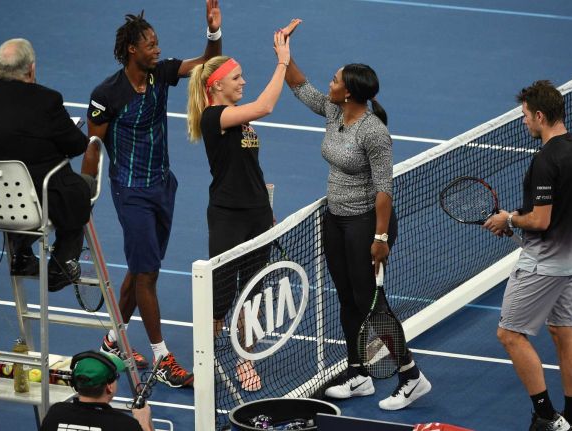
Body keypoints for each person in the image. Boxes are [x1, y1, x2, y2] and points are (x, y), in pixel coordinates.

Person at [281, 27, 430, 410]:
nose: (328, 82)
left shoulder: (374, 133)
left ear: (348, 91)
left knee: (371, 305)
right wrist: (284, 53)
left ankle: (411, 376)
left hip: (368, 223)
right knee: (348, 300)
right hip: (336, 220)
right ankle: (359, 372)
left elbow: (385, 188)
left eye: (334, 78)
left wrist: (380, 237)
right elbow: (300, 86)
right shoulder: (334, 111)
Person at [81, 1, 223, 387]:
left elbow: (207, 63)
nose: (157, 50)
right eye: (151, 45)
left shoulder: (160, 74)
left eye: (158, 44)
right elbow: (93, 148)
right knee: (146, 274)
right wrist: (83, 196)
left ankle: (112, 341)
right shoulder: (106, 93)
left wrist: (213, 32)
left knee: (144, 268)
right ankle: (162, 357)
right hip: (131, 193)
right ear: (132, 49)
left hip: (163, 186)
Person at [184, 19, 300, 392]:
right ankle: (205, 355)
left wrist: (266, 206)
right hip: (228, 217)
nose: (243, 82)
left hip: (256, 215)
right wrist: (282, 61)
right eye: (237, 78)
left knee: (253, 292)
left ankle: (244, 358)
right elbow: (265, 106)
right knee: (218, 296)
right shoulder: (214, 117)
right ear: (217, 85)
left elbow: (248, 166)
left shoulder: (240, 124)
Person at [483, 80, 572, 431]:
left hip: (543, 264)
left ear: (540, 115)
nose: (524, 122)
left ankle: (546, 417)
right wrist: (517, 219)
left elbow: (541, 220)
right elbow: (555, 209)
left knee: (509, 334)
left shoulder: (546, 159)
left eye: (526, 116)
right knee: (563, 331)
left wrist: (509, 219)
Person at [0, 38, 91, 292]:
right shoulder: (47, 101)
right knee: (82, 187)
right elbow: (77, 146)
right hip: (29, 205)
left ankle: (21, 253)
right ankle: (63, 260)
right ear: (31, 69)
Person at [40, 350, 154, 431]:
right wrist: (144, 424)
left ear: (74, 382)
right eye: (116, 377)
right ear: (109, 386)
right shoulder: (126, 425)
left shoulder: (55, 413)